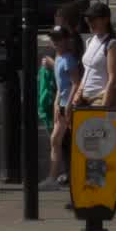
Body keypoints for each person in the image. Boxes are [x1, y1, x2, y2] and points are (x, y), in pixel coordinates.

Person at [71, 2, 116, 203]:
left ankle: (100, 192)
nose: (89, 22)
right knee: (96, 149)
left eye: (94, 19)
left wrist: (105, 106)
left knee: (102, 149)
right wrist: (80, 92)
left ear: (106, 19)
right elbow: (88, 70)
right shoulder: (91, 40)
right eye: (88, 18)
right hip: (87, 99)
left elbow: (112, 78)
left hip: (102, 99)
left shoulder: (112, 45)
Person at [47, 28, 82, 186]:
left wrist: (68, 105)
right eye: (53, 39)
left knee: (63, 141)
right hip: (61, 104)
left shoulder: (68, 59)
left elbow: (76, 83)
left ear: (66, 40)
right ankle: (54, 177)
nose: (55, 42)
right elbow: (61, 85)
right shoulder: (59, 57)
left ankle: (57, 176)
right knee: (56, 140)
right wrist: (56, 102)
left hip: (69, 106)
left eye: (58, 39)